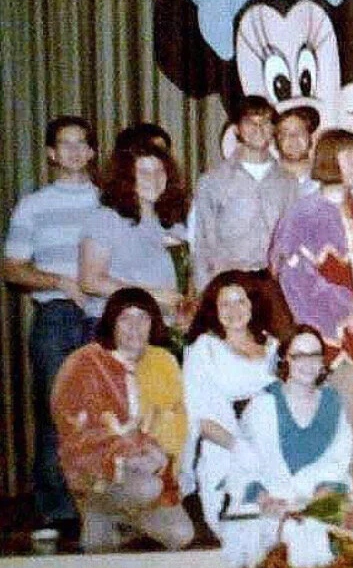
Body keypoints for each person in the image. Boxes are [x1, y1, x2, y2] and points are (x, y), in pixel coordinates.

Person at [221, 325, 353, 568]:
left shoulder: (333, 404)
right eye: (299, 355)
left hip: (318, 500)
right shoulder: (262, 406)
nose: (308, 363)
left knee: (346, 531)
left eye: (315, 355)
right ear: (286, 359)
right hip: (268, 502)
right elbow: (242, 465)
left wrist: (322, 495)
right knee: (279, 543)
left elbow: (339, 460)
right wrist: (263, 498)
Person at [3, 115, 100, 532]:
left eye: (83, 143)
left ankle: (103, 506)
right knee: (58, 410)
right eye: (66, 143)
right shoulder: (34, 205)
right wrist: (60, 281)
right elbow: (12, 269)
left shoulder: (108, 201)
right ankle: (57, 509)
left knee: (106, 414)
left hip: (103, 317)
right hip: (57, 316)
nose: (75, 151)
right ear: (51, 153)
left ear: (93, 152)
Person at [51, 288, 194, 551]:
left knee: (181, 534)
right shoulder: (85, 363)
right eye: (125, 318)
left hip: (150, 469)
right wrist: (131, 451)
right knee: (147, 488)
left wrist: (163, 459)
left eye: (143, 318)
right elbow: (74, 435)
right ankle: (98, 509)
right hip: (98, 470)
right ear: (110, 323)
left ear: (153, 324)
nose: (135, 327)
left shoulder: (162, 362)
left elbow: (176, 424)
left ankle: (121, 518)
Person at [269, 129, 353, 370]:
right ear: (327, 158)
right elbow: (296, 282)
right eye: (345, 156)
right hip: (328, 341)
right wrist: (345, 313)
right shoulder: (301, 216)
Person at [190, 96, 299, 337]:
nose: (259, 129)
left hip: (272, 283)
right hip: (229, 281)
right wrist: (204, 294)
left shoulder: (288, 182)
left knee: (286, 345)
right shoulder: (212, 181)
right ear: (237, 128)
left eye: (266, 122)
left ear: (273, 129)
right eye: (251, 122)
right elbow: (202, 242)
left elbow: (293, 240)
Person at [182, 271, 279, 534]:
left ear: (252, 304)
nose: (234, 310)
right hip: (225, 453)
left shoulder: (273, 347)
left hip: (273, 455)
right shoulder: (205, 348)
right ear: (214, 309)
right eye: (225, 303)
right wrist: (240, 448)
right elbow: (197, 417)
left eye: (241, 301)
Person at [79, 130, 190, 329]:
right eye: (144, 173)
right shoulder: (105, 218)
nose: (154, 179)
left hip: (161, 330)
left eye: (159, 171)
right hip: (115, 328)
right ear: (128, 178)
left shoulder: (175, 225)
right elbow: (90, 281)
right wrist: (150, 296)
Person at [274, 106, 320, 195]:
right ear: (275, 140)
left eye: (300, 131)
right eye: (285, 133)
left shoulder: (326, 179)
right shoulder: (263, 181)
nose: (293, 137)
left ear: (311, 137)